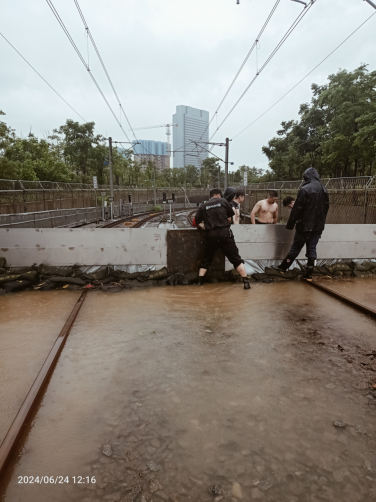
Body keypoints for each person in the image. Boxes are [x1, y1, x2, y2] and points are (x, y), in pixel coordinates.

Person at [272, 167, 329, 280]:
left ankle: (283, 268)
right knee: (312, 248)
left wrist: (290, 224)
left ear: (306, 177)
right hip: (318, 226)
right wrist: (321, 221)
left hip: (305, 225)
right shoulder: (324, 189)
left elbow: (297, 209)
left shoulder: (305, 189)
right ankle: (309, 273)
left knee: (296, 247)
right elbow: (326, 207)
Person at [194, 189, 250, 289]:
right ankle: (246, 283)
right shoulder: (224, 201)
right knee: (236, 259)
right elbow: (230, 217)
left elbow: (196, 221)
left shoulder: (203, 205)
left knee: (207, 258)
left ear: (210, 196)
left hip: (211, 234)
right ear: (219, 195)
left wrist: (202, 227)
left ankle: (199, 283)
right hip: (224, 233)